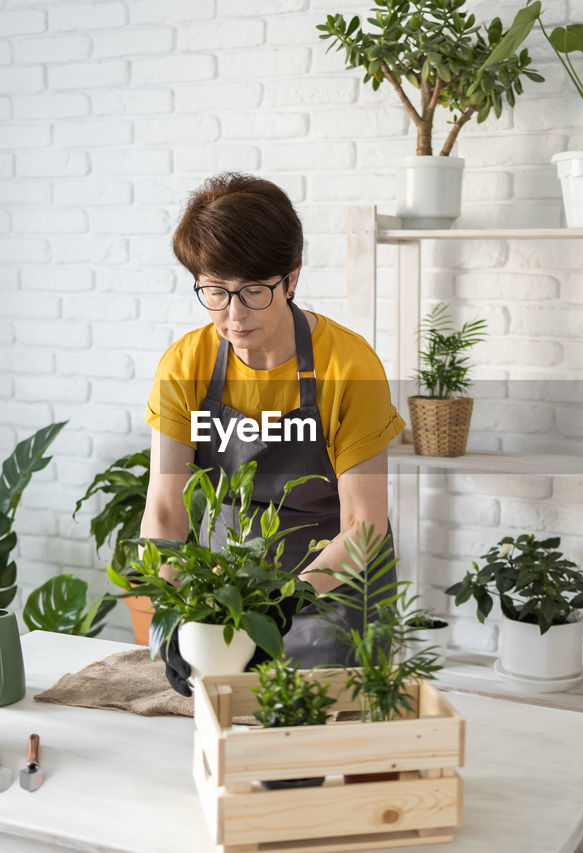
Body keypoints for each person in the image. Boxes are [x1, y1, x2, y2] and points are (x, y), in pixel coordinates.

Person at [141, 172, 404, 679]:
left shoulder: (349, 366)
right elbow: (165, 512)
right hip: (225, 599)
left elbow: (364, 527)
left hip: (334, 598)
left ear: (292, 279)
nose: (234, 315)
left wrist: (281, 604)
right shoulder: (185, 363)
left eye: (253, 292)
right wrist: (174, 612)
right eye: (214, 292)